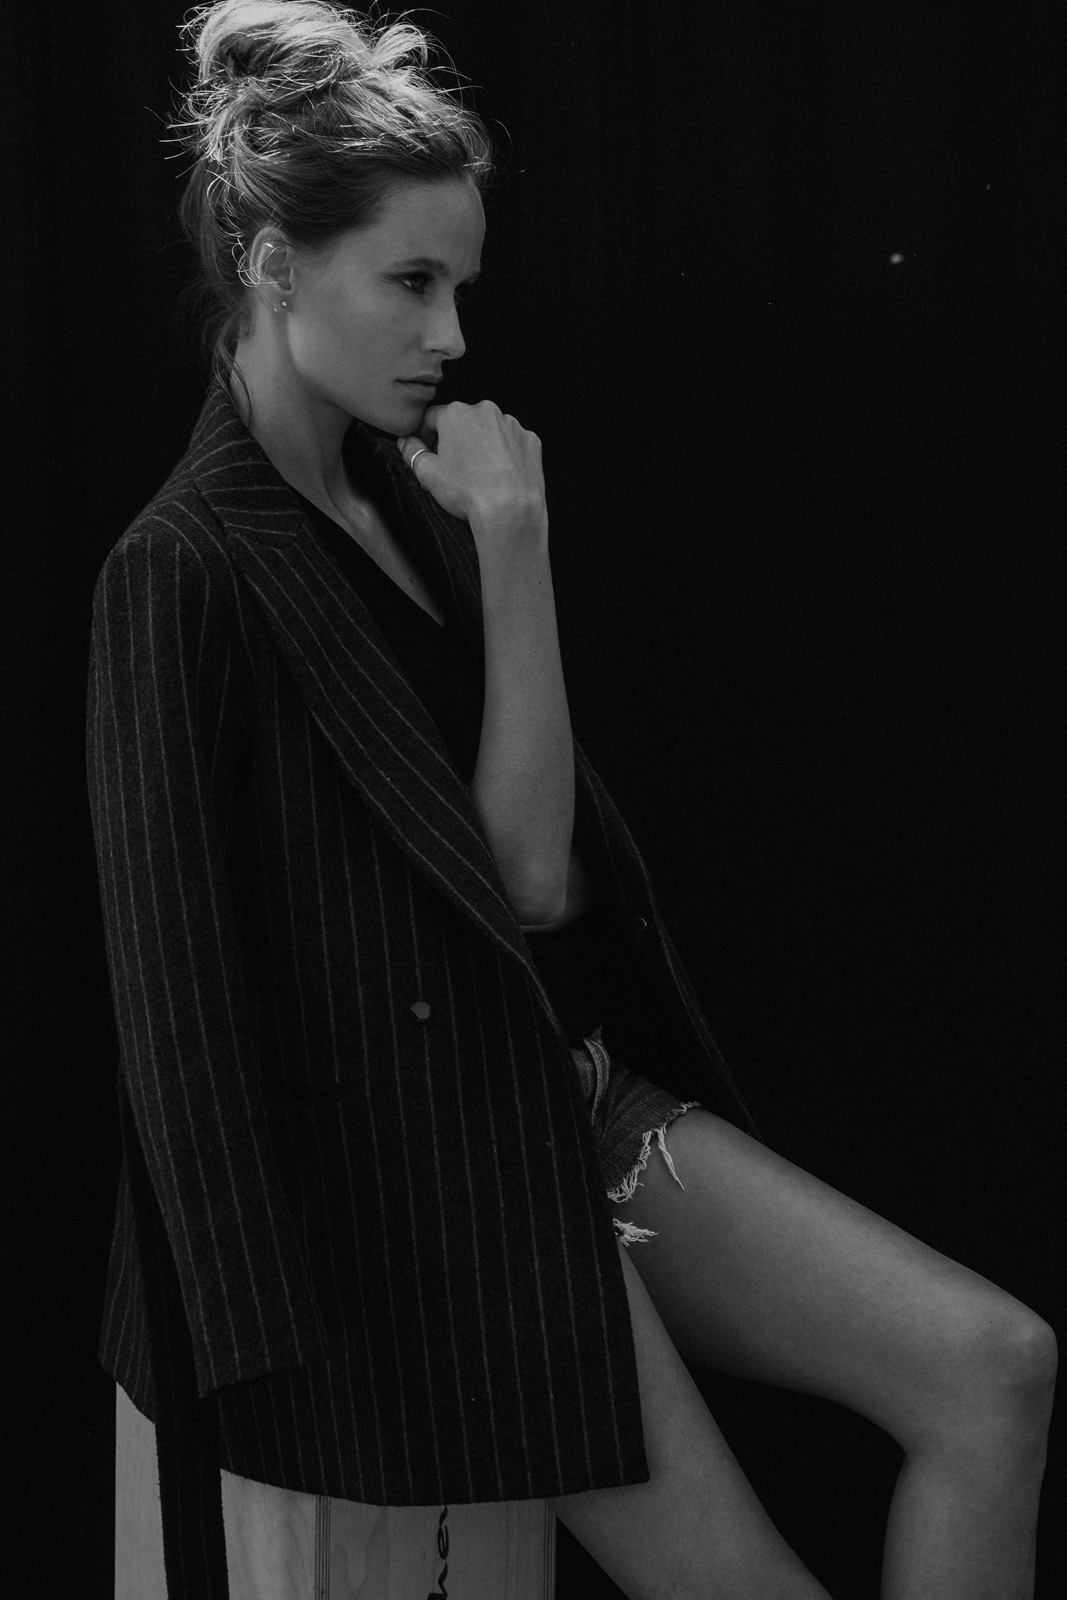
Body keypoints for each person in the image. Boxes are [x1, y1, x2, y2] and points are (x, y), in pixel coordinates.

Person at [86, 3, 1056, 1597]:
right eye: (412, 282)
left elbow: (533, 872)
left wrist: (513, 544)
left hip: (569, 1105)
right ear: (270, 266)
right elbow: (175, 1008)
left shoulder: (419, 494)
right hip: (424, 1205)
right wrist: (253, 1351)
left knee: (996, 1370)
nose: (452, 334)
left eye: (459, 285)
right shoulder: (181, 569)